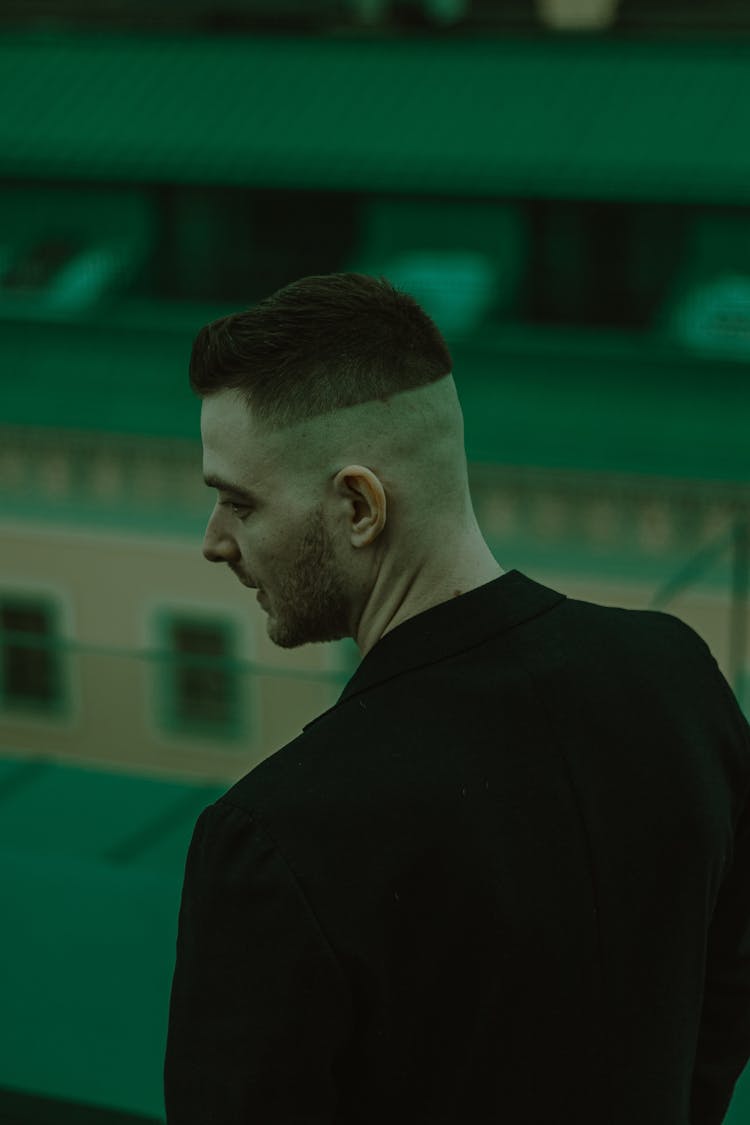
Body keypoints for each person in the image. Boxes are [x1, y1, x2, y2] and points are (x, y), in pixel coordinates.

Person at [164, 272, 750, 1124]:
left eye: (237, 502)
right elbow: (728, 986)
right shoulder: (678, 675)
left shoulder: (272, 838)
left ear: (359, 506)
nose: (214, 541)